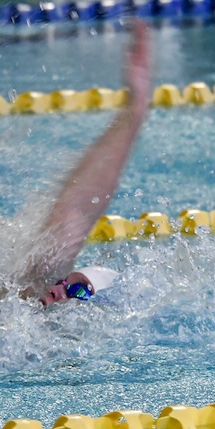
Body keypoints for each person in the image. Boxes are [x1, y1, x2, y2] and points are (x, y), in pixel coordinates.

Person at [23, 19, 151, 307]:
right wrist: (135, 109)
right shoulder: (31, 293)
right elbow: (76, 210)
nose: (61, 289)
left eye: (79, 291)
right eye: (67, 281)